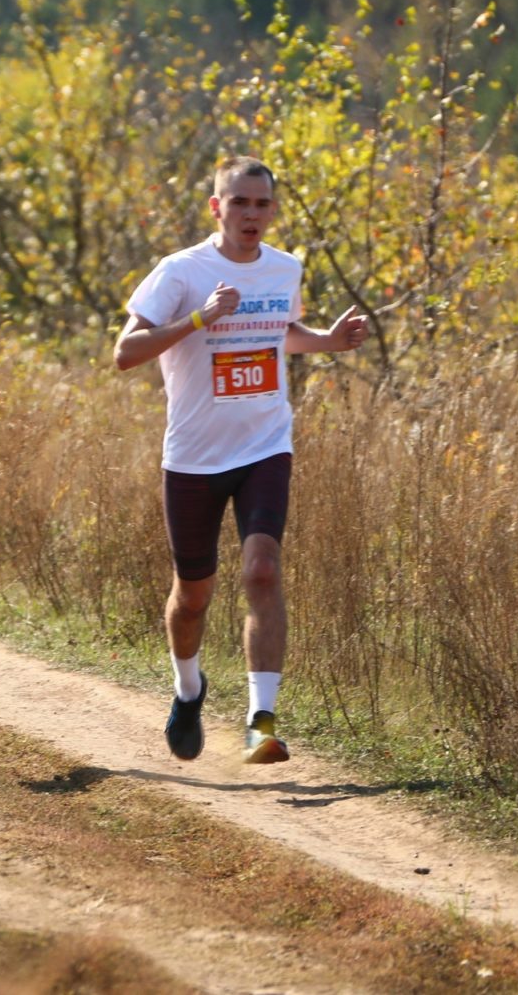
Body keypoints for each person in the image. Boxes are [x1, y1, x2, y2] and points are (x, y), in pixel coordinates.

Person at [112, 156, 367, 764]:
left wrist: (326, 341)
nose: (251, 215)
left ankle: (262, 722)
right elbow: (126, 353)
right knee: (193, 595)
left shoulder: (285, 268)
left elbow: (278, 332)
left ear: (272, 210)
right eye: (240, 203)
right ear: (216, 207)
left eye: (262, 204)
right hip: (195, 457)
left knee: (261, 571)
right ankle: (188, 690)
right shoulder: (181, 271)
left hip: (263, 445)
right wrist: (201, 318)